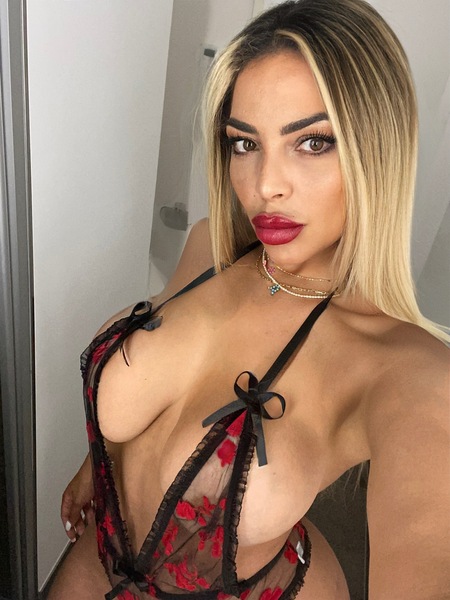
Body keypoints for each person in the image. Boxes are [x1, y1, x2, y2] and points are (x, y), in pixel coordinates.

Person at [47, 0, 450, 598]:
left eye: (313, 142)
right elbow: (147, 403)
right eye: (244, 143)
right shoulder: (208, 247)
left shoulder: (409, 373)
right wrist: (95, 466)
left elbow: (426, 547)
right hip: (90, 564)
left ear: (379, 151)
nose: (264, 185)